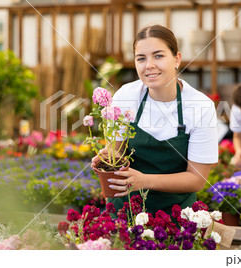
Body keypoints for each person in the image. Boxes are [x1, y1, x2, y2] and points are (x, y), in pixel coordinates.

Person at [91, 25, 218, 215]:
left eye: (158, 56)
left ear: (177, 59)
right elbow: (116, 151)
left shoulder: (200, 106)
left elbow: (197, 179)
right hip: (125, 212)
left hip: (175, 217)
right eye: (141, 58)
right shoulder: (126, 96)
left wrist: (145, 181)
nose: (149, 65)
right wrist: (106, 158)